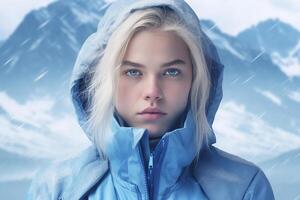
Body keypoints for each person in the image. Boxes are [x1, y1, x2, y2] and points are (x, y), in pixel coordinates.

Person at [27, 0, 275, 199]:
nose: (152, 91)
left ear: (197, 82)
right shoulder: (57, 189)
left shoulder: (244, 188)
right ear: (103, 81)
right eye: (133, 72)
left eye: (171, 72)